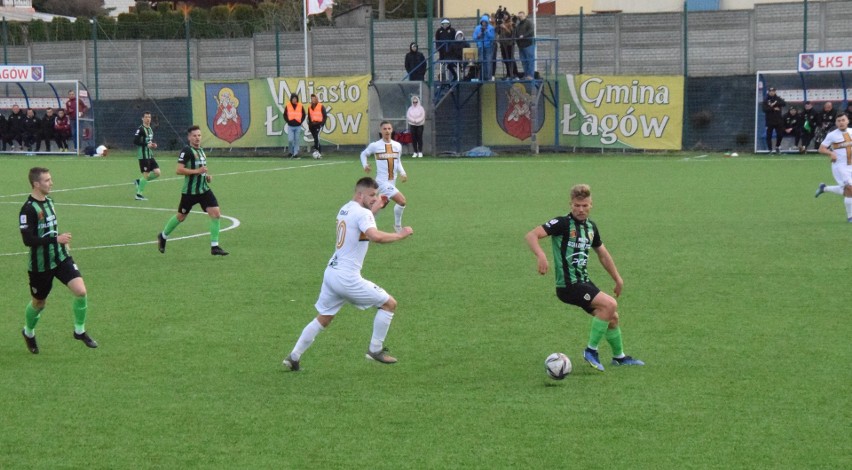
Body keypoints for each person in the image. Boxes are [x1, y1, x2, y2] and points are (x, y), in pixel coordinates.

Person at [282, 177, 414, 371]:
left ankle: (294, 356)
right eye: (371, 195)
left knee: (324, 317)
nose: (374, 198)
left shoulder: (345, 208)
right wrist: (400, 235)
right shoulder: (363, 214)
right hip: (347, 277)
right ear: (360, 194)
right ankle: (375, 350)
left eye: (376, 195)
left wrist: (376, 207)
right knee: (389, 304)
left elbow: (361, 226)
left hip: (332, 272)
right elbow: (374, 236)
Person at [525, 183, 644, 372]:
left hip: (583, 282)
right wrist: (541, 255)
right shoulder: (562, 224)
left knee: (612, 317)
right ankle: (591, 351)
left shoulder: (591, 227)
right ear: (571, 205)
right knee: (610, 304)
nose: (580, 209)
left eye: (585, 205)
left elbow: (603, 255)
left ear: (591, 205)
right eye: (576, 205)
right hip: (568, 285)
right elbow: (532, 235)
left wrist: (618, 279)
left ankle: (619, 357)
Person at [19, 167, 98, 354]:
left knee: (81, 291)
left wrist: (61, 240)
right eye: (47, 180)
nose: (51, 183)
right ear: (36, 184)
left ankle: (80, 331)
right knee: (39, 303)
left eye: (50, 179)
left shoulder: (50, 202)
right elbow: (27, 240)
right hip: (40, 265)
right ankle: (28, 332)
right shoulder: (28, 209)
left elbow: (50, 229)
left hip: (60, 257)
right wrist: (56, 239)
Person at [156, 125, 229, 256]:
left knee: (216, 213)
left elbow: (201, 169)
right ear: (189, 137)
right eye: (194, 136)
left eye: (199, 135)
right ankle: (163, 236)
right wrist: (197, 171)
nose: (197, 138)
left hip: (204, 190)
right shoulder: (187, 151)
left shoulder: (201, 151)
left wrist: (206, 176)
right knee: (181, 216)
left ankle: (215, 246)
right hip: (190, 192)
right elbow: (179, 170)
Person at [360, 121, 408, 232]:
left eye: (389, 128)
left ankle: (365, 228)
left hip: (392, 182)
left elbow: (398, 161)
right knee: (402, 201)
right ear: (381, 131)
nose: (387, 131)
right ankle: (397, 227)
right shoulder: (375, 145)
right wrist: (365, 165)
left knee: (379, 205)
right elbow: (363, 154)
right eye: (384, 129)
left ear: (392, 130)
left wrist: (403, 173)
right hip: (382, 182)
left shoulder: (397, 146)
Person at [814, 113, 852, 222]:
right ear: (836, 123)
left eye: (843, 120)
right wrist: (831, 153)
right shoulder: (832, 135)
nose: (841, 122)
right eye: (838, 121)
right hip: (840, 166)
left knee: (848, 190)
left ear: (847, 121)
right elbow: (821, 149)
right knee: (849, 188)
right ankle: (850, 217)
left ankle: (824, 188)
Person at [133, 111, 160, 200]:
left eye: (149, 117)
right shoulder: (140, 129)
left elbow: (149, 142)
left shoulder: (150, 129)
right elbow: (135, 141)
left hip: (150, 154)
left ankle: (139, 182)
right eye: (146, 117)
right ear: (142, 118)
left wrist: (153, 145)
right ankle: (138, 194)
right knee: (146, 174)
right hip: (143, 155)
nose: (148, 119)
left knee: (157, 172)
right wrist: (146, 144)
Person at [761, 86, 786, 154]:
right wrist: (773, 108)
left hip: (778, 120)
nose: (772, 92)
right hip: (769, 120)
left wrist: (776, 103)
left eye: (773, 91)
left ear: (775, 92)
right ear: (768, 92)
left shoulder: (778, 98)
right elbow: (764, 109)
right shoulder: (766, 100)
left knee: (780, 134)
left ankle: (777, 146)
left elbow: (784, 103)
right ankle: (770, 149)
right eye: (770, 91)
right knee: (769, 135)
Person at [472, 15, 495, 81]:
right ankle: (481, 77)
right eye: (483, 22)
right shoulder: (477, 28)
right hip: (480, 47)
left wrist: (486, 31)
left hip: (488, 47)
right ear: (481, 22)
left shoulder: (491, 28)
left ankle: (488, 78)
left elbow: (492, 37)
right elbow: (474, 37)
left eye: (485, 22)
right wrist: (478, 36)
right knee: (481, 62)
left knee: (488, 62)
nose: (484, 23)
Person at [283, 93, 305, 159]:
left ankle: (295, 153)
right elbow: (285, 115)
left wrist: (301, 121)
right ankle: (290, 152)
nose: (294, 100)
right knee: (290, 140)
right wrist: (288, 121)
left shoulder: (300, 106)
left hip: (298, 126)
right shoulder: (288, 106)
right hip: (290, 126)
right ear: (291, 99)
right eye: (293, 98)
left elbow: (304, 114)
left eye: (295, 98)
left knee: (297, 140)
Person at [497, 13, 518, 79]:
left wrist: (505, 27)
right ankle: (508, 74)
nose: (504, 16)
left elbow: (511, 33)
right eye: (503, 15)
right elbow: (498, 32)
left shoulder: (511, 23)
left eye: (506, 15)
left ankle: (514, 73)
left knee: (511, 59)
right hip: (503, 44)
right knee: (505, 59)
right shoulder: (502, 23)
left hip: (509, 44)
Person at [514, 11, 535, 79]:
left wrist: (523, 36)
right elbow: (516, 34)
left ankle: (530, 75)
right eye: (519, 16)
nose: (520, 17)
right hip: (521, 46)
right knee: (524, 62)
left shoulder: (529, 22)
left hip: (528, 45)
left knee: (530, 61)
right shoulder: (518, 25)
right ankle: (526, 75)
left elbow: (531, 31)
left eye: (521, 16)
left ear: (525, 16)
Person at [307, 94, 328, 159]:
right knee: (316, 139)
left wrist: (322, 124)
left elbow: (325, 116)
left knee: (316, 137)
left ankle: (316, 150)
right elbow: (309, 117)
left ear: (316, 99)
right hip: (312, 125)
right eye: (312, 99)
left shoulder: (321, 106)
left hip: (319, 124)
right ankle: (319, 152)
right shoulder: (309, 107)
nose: (313, 100)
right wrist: (309, 125)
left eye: (314, 98)